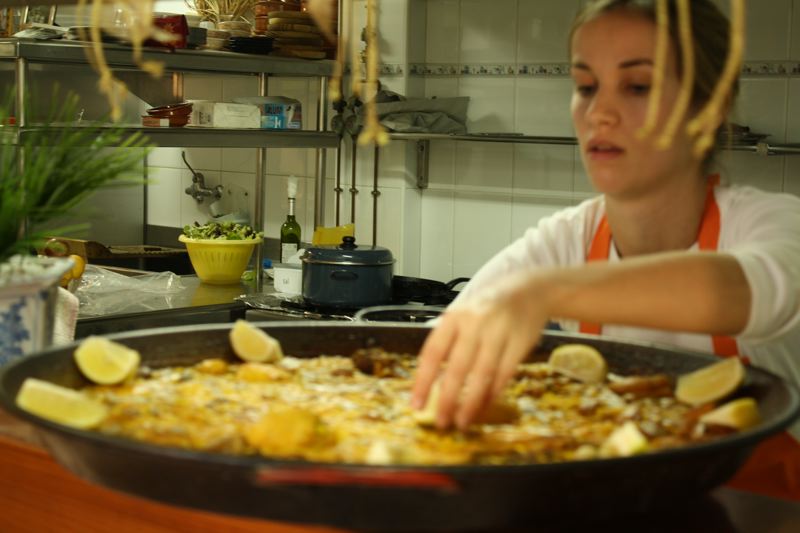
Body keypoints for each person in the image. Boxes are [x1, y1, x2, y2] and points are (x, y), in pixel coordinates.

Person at [411, 0, 800, 500]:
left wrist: (540, 292)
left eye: (637, 86)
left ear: (712, 106)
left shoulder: (772, 223)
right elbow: (437, 353)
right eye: (586, 86)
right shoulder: (567, 240)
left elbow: (738, 292)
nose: (600, 112)